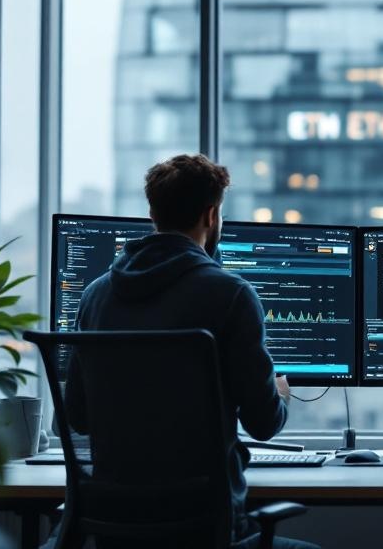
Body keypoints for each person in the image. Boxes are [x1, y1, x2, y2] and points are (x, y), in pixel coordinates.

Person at [66, 154, 319, 549]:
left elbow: (78, 415)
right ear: (211, 214)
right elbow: (264, 424)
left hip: (115, 528)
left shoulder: (94, 296)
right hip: (206, 530)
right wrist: (280, 392)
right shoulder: (231, 294)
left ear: (152, 212)